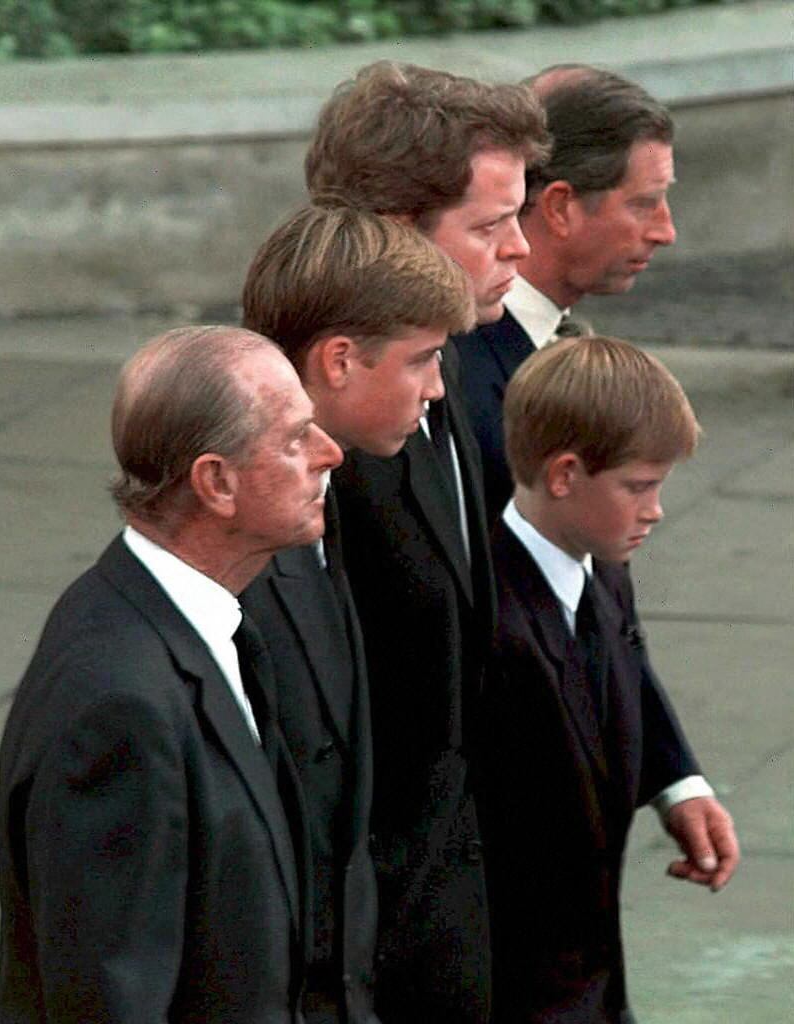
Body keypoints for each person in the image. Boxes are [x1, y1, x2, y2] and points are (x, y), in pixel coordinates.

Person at [0, 326, 342, 1023]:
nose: (331, 454)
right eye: (297, 439)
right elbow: (110, 998)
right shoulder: (119, 706)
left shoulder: (200, 623)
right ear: (216, 482)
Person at [305, 61, 550, 1024]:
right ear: (398, 234)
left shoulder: (451, 375)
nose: (520, 251)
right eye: (491, 228)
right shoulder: (326, 457)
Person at [240, 204, 475, 1024]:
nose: (440, 388)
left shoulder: (326, 505)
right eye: (423, 360)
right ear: (339, 360)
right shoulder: (250, 558)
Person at [481, 334, 740, 1023]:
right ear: (564, 474)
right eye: (638, 487)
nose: (654, 509)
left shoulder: (605, 574)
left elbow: (627, 675)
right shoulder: (492, 628)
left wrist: (674, 783)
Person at [454, 65, 679, 524]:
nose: (666, 231)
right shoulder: (458, 375)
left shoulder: (527, 344)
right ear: (559, 208)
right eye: (642, 204)